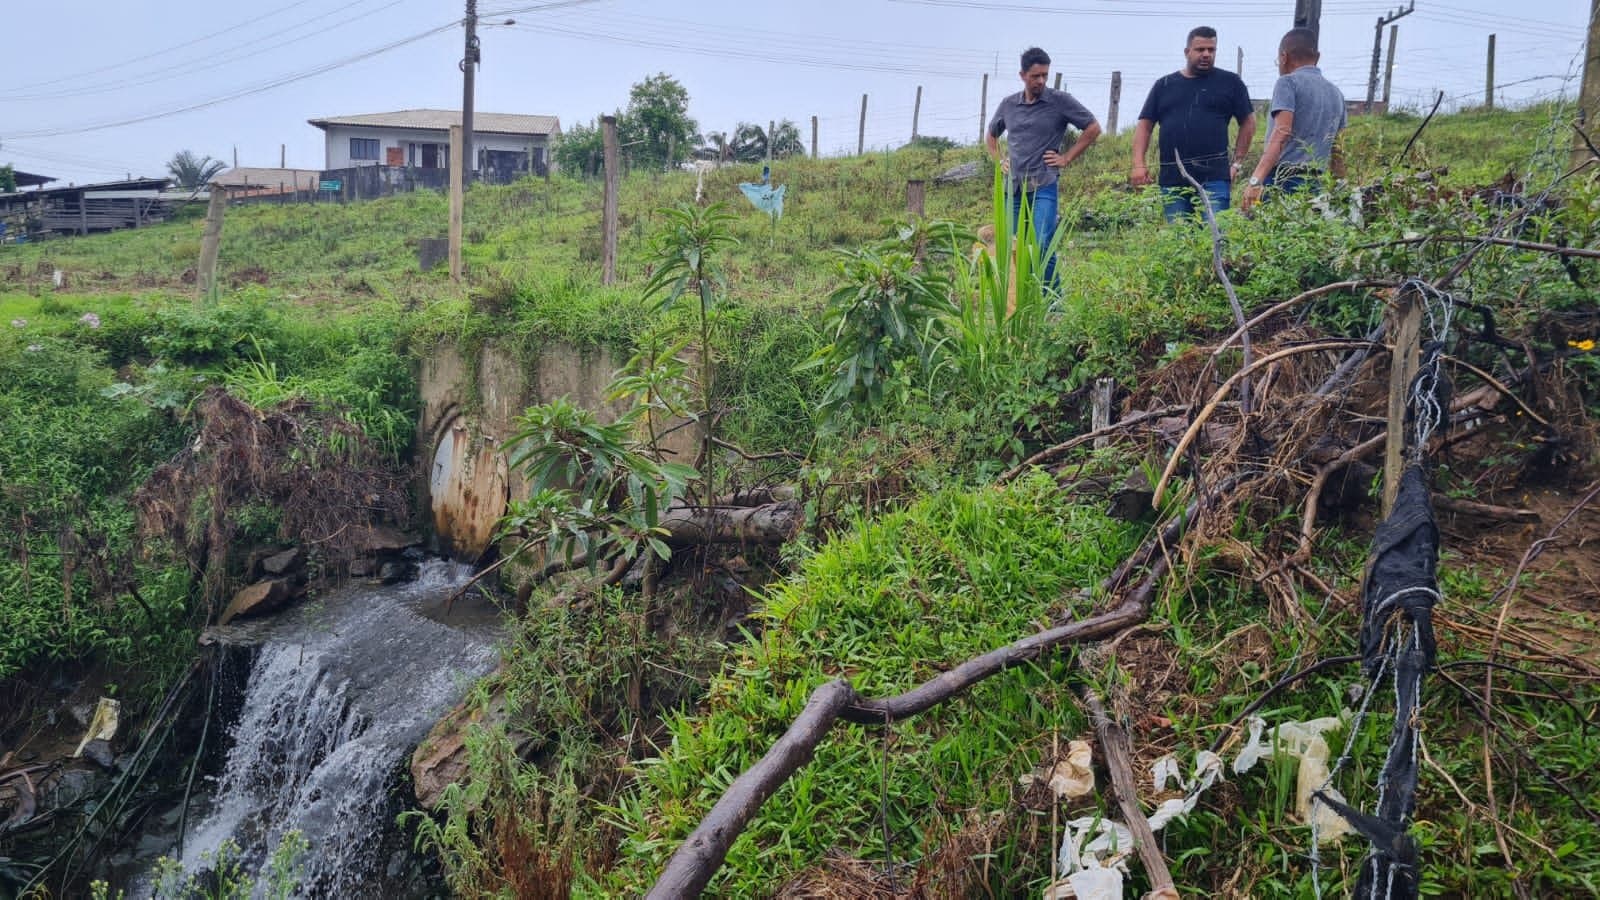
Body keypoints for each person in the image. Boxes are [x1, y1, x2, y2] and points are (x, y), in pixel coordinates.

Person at [985, 47, 1101, 282]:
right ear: (1022, 75)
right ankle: (1023, 297)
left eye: (1045, 75)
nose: (1041, 81)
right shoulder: (1009, 105)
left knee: (1041, 244)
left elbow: (1093, 127)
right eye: (1035, 76)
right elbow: (991, 136)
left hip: (1044, 184)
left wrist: (1066, 158)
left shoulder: (1059, 101)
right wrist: (1000, 161)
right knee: (1015, 247)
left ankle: (1052, 299)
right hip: (1013, 189)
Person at [1130, 25, 1256, 222]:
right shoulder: (1164, 85)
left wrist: (1236, 164)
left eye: (1211, 50)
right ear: (1187, 52)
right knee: (1178, 236)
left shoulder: (1231, 83)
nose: (1206, 54)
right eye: (1200, 49)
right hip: (1173, 180)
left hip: (1215, 179)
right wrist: (1138, 165)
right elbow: (1145, 126)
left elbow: (1248, 122)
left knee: (1215, 233)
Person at [1241, 27, 1347, 212]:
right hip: (1316, 184)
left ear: (1284, 57)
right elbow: (1338, 149)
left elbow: (1282, 131)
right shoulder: (1337, 93)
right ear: (1318, 57)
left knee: (1267, 227)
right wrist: (1340, 191)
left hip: (1283, 179)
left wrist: (1255, 180)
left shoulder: (1288, 82)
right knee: (1304, 229)